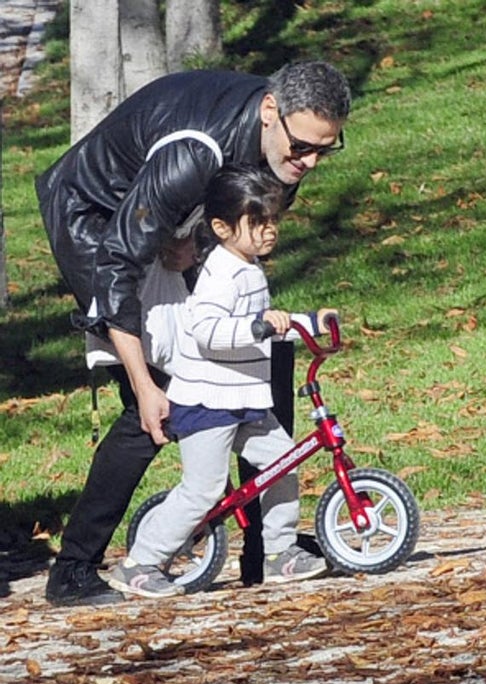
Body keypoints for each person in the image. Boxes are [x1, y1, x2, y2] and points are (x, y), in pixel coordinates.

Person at [36, 61, 351, 606]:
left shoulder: (284, 149)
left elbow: (230, 242)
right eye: (303, 147)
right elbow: (117, 263)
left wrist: (195, 242)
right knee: (160, 399)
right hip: (94, 218)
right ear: (270, 112)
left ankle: (267, 550)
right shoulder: (194, 152)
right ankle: (74, 571)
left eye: (327, 149)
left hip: (163, 220)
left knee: (261, 351)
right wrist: (142, 380)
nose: (310, 162)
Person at [109, 164, 335, 598]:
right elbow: (207, 331)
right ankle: (141, 562)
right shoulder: (219, 273)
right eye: (258, 222)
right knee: (203, 489)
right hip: (207, 402)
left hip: (245, 399)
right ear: (221, 227)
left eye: (273, 221)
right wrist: (257, 328)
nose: (269, 231)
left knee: (283, 462)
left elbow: (269, 324)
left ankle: (280, 551)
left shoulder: (248, 267)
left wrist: (312, 323)